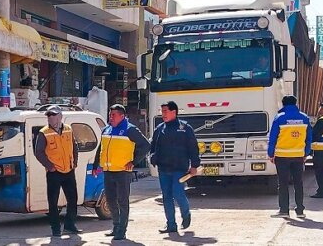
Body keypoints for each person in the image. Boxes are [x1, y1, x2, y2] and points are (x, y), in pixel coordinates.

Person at [92, 104, 150, 240]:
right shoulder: (106, 129)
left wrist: (133, 162)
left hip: (122, 172)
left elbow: (146, 146)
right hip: (108, 171)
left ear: (122, 116)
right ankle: (116, 226)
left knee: (122, 201)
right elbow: (101, 148)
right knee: (111, 200)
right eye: (110, 114)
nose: (110, 117)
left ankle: (122, 230)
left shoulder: (130, 130)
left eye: (113, 115)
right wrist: (96, 165)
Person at [150, 101, 201, 233]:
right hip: (163, 169)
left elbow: (193, 148)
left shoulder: (185, 128)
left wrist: (195, 165)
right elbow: (153, 146)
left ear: (174, 112)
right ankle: (171, 225)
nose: (163, 114)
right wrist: (153, 158)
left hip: (179, 168)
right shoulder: (160, 129)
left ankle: (186, 214)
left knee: (178, 193)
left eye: (165, 111)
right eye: (162, 112)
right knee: (166, 196)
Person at [34, 105, 82, 236]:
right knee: (53, 202)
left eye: (53, 115)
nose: (50, 118)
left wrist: (74, 163)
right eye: (48, 116)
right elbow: (38, 153)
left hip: (69, 170)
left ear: (60, 117)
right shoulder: (44, 133)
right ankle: (55, 229)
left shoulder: (68, 129)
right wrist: (50, 167)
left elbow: (74, 146)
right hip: (54, 173)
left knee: (73, 199)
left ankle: (70, 225)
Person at [267, 95, 312, 219]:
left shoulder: (279, 118)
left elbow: (273, 138)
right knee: (298, 183)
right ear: (295, 103)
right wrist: (306, 153)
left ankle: (284, 210)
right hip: (298, 156)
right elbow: (309, 138)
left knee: (283, 183)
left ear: (283, 104)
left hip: (282, 156)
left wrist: (271, 154)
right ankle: (300, 211)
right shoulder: (304, 118)